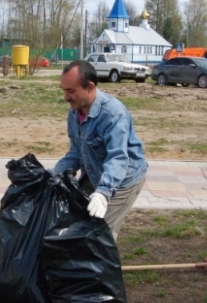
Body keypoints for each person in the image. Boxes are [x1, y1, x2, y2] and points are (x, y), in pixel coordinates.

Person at [53, 59, 147, 241]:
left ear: (89, 87)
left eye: (71, 91)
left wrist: (103, 193)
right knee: (75, 217)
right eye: (64, 91)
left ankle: (102, 268)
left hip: (123, 180)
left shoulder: (113, 115)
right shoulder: (74, 112)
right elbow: (76, 153)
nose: (66, 97)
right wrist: (54, 174)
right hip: (95, 172)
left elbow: (118, 158)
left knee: (100, 235)